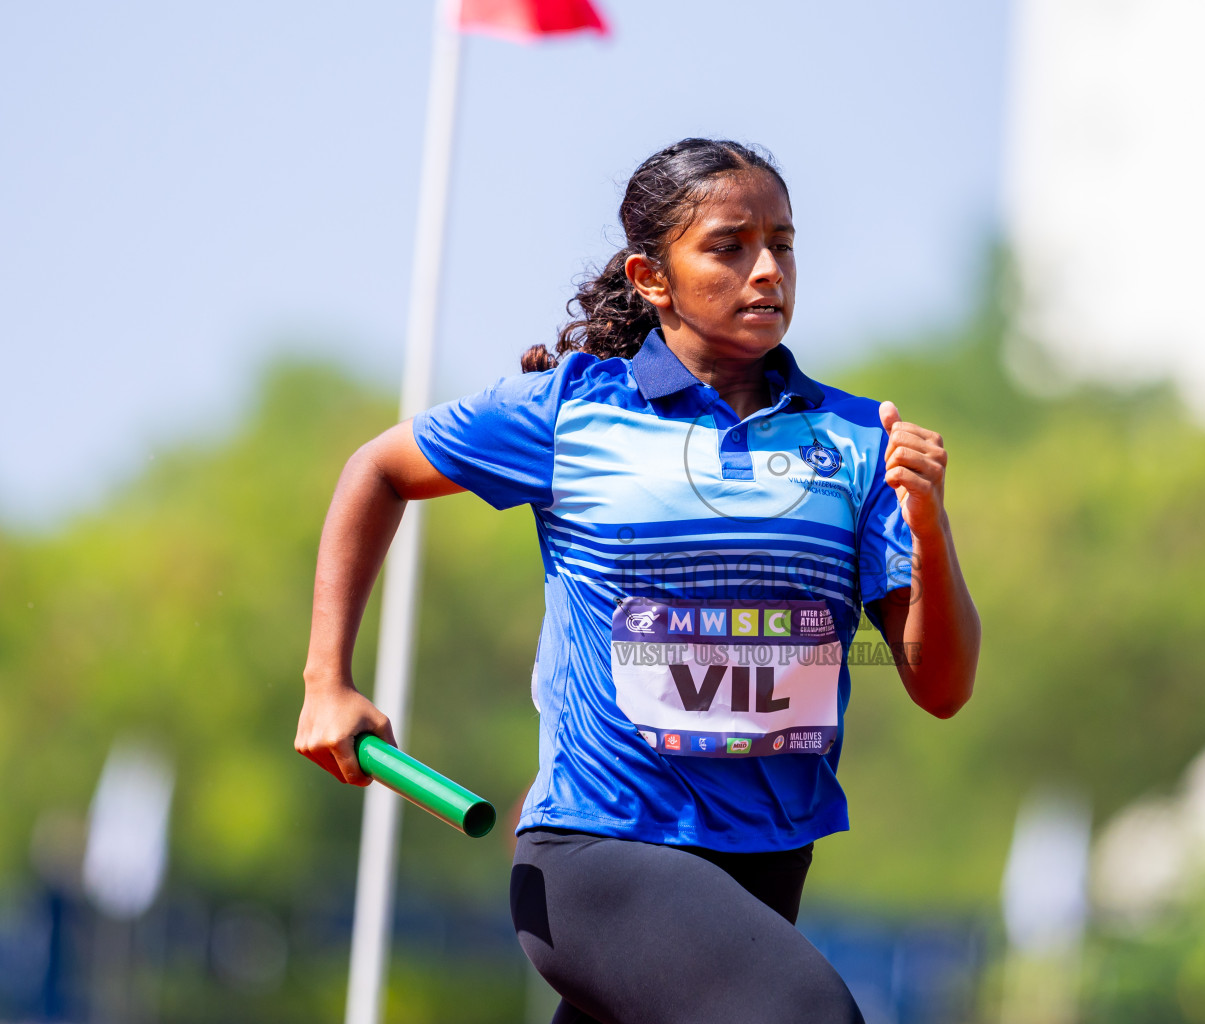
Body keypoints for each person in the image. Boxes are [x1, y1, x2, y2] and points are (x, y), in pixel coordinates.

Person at [294, 138, 982, 1024]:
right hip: (597, 855)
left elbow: (942, 687)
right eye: (730, 246)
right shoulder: (571, 410)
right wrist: (328, 681)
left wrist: (928, 525)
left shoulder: (856, 441)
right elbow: (378, 470)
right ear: (651, 278)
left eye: (783, 242)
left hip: (769, 863)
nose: (768, 269)